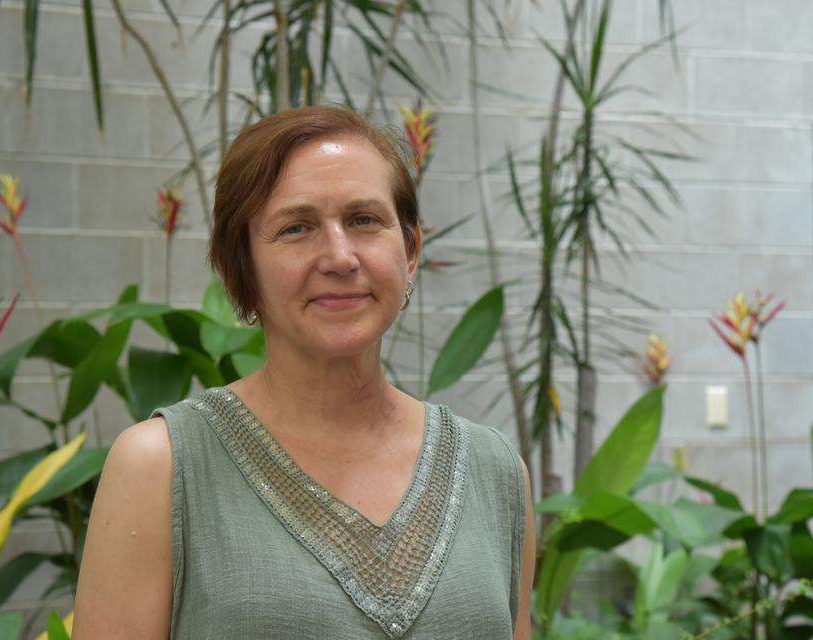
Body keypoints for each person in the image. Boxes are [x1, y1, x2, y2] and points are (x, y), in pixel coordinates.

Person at [72, 105, 536, 639]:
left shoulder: (494, 473)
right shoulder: (163, 466)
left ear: (410, 252)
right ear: (241, 268)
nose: (340, 257)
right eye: (297, 228)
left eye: (364, 220)